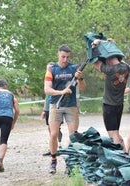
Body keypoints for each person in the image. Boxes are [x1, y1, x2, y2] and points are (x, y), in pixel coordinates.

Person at [44, 45, 86, 174]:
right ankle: (53, 160)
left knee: (73, 135)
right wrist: (61, 91)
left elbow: (83, 88)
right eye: (63, 56)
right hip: (55, 105)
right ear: (58, 55)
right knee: (54, 134)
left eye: (67, 57)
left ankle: (70, 162)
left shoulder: (74, 68)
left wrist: (80, 78)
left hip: (71, 105)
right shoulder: (51, 69)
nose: (65, 59)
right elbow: (47, 89)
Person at [91, 39, 130, 149]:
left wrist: (94, 45)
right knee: (116, 132)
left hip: (109, 106)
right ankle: (126, 153)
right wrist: (112, 45)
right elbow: (119, 57)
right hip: (119, 105)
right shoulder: (126, 67)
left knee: (112, 135)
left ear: (108, 59)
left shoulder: (111, 70)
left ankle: (119, 156)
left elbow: (96, 63)